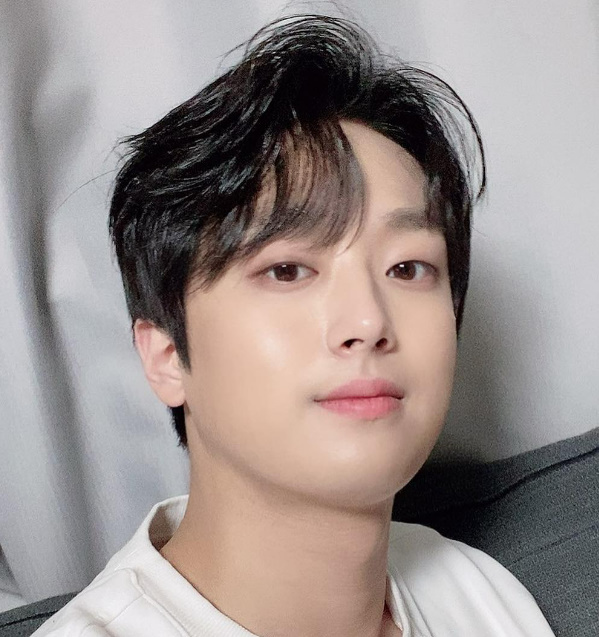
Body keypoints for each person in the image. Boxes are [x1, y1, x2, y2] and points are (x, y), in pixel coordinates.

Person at [33, 13, 556, 637]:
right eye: (287, 270)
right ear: (167, 355)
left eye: (408, 267)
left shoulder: (479, 594)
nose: (368, 321)